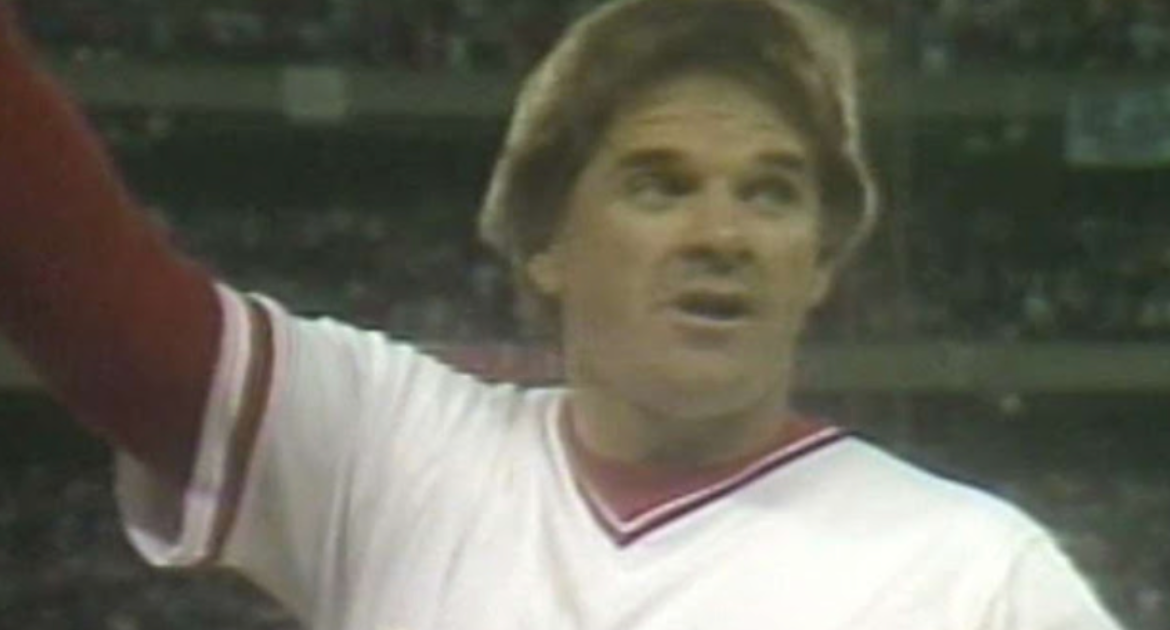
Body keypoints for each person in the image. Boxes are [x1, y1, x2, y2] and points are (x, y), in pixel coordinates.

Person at [0, 0, 1125, 628]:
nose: (723, 233)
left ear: (821, 263)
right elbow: (100, 312)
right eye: (659, 185)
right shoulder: (399, 455)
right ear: (547, 239)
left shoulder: (974, 576)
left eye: (773, 193)